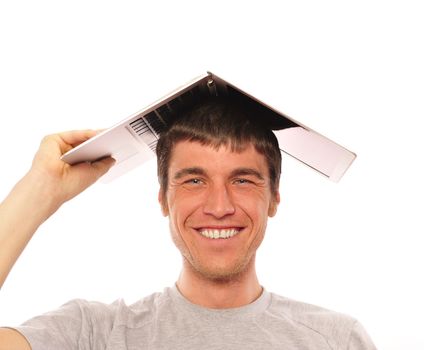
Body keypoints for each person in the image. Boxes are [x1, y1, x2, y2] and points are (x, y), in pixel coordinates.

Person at [0, 97, 376, 349]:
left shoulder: (335, 341)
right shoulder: (95, 334)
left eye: (242, 180)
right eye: (194, 180)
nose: (219, 206)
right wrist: (40, 192)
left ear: (274, 198)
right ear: (164, 198)